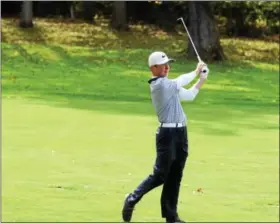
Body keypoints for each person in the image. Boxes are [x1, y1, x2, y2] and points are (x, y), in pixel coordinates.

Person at [122, 51, 209, 223]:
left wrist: (201, 80)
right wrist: (196, 71)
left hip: (181, 133)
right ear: (153, 68)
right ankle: (132, 198)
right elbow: (181, 80)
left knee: (175, 174)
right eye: (163, 64)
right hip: (167, 134)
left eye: (168, 64)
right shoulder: (159, 85)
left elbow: (189, 95)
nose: (167, 67)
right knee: (161, 174)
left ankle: (171, 216)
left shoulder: (170, 86)